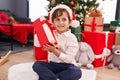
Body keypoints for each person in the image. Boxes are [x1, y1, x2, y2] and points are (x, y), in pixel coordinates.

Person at [32, 4, 82, 80]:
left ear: (69, 22)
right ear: (53, 22)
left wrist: (54, 51)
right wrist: (38, 31)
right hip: (52, 65)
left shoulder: (72, 38)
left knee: (76, 71)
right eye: (57, 19)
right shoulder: (50, 33)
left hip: (67, 66)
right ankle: (56, 78)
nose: (60, 22)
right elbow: (37, 44)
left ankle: (50, 77)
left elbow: (69, 59)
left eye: (64, 19)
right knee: (37, 65)